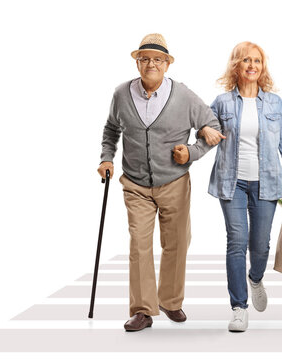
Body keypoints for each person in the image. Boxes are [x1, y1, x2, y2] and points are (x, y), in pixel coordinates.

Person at [98, 33, 220, 332]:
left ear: (167, 64)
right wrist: (106, 158)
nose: (150, 63)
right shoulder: (121, 94)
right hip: (136, 183)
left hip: (174, 182)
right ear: (137, 63)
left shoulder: (184, 96)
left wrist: (191, 153)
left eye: (157, 59)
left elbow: (213, 128)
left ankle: (171, 300)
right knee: (139, 245)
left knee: (176, 243)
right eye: (144, 58)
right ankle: (142, 310)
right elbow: (111, 129)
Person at [198, 42, 282, 332]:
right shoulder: (222, 102)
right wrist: (203, 130)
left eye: (257, 61)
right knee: (236, 242)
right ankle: (239, 307)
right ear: (236, 65)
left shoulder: (274, 103)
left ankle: (256, 278)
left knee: (259, 246)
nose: (252, 65)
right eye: (246, 60)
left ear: (262, 67)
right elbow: (202, 126)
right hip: (231, 182)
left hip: (268, 184)